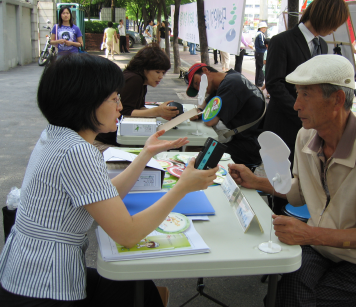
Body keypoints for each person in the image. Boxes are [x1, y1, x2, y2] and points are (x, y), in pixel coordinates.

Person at [0, 54, 218, 306]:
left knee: (138, 284)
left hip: (25, 271)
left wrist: (145, 153)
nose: (119, 107)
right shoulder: (77, 152)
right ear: (84, 102)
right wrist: (182, 187)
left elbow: (103, 194)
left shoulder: (56, 135)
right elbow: (128, 234)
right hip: (44, 286)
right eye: (114, 98)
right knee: (137, 285)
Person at [229, 54, 356, 307]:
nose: (296, 105)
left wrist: (309, 234)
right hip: (321, 248)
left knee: (291, 299)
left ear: (337, 99)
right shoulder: (305, 137)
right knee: (283, 293)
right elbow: (300, 191)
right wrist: (255, 182)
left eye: (305, 95)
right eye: (297, 94)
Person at [263, 0, 349, 214]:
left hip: (311, 126)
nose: (335, 30)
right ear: (325, 16)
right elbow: (274, 84)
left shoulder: (322, 45)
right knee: (282, 178)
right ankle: (279, 222)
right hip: (284, 122)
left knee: (306, 179)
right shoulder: (281, 41)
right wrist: (301, 112)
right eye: (335, 24)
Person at [96, 44, 179, 146]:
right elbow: (125, 112)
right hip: (107, 140)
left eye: (163, 73)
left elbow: (138, 108)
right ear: (144, 68)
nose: (161, 76)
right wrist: (157, 111)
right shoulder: (134, 80)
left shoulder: (141, 81)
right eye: (157, 72)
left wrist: (160, 112)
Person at [185, 63, 265, 165]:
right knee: (191, 147)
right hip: (244, 140)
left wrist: (201, 113)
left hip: (246, 148)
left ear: (205, 70)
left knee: (193, 152)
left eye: (197, 83)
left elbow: (210, 121)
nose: (199, 88)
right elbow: (206, 102)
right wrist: (199, 110)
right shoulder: (228, 78)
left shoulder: (230, 85)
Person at [254, 21, 267, 87]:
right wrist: (267, 46)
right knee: (262, 68)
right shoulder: (261, 35)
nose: (265, 30)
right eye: (265, 28)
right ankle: (260, 82)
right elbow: (262, 44)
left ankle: (257, 82)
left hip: (257, 52)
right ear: (262, 28)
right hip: (261, 52)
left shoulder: (257, 34)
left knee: (258, 68)